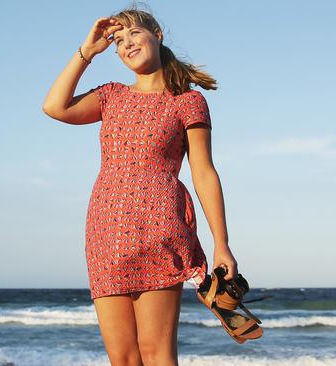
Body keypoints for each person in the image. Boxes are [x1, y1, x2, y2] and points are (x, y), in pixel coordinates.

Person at [42, 6, 237, 366]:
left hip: (159, 229)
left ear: (157, 35)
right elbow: (54, 107)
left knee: (156, 354)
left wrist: (221, 244)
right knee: (123, 359)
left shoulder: (188, 100)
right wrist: (88, 50)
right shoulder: (111, 96)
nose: (126, 43)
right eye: (118, 40)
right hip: (106, 233)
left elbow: (204, 171)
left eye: (134, 33)